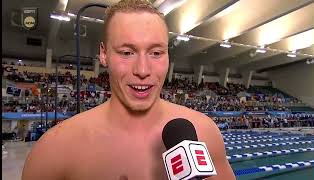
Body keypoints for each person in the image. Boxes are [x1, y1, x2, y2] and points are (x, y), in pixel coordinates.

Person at [22, 0, 235, 179]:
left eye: (156, 53)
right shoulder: (56, 149)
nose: (142, 70)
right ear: (104, 54)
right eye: (126, 52)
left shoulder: (204, 133)